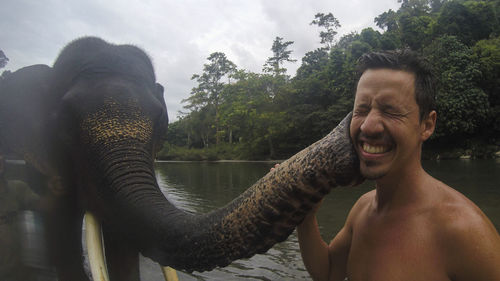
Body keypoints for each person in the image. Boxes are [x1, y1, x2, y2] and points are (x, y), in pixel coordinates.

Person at [296, 50, 500, 281]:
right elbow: (329, 272)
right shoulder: (362, 210)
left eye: (390, 111)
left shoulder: (465, 232)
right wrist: (305, 218)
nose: (368, 127)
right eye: (361, 110)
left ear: (427, 125)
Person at [0, 153, 48, 281]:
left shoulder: (17, 188)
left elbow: (42, 205)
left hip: (19, 269)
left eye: (0, 154)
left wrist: (55, 190)